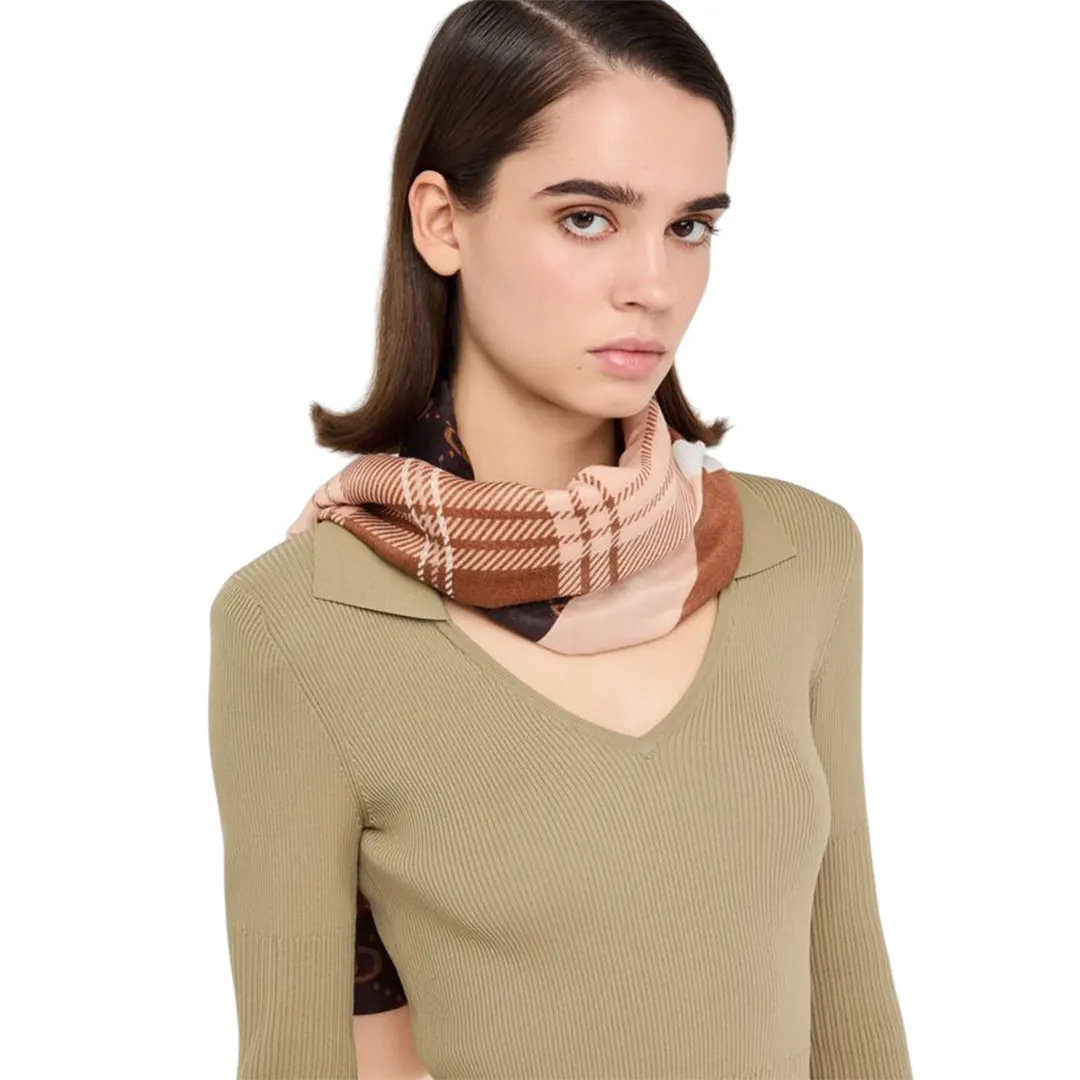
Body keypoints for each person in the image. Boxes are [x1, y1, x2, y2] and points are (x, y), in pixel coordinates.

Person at [206, 2, 914, 1078]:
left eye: (690, 226)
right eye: (587, 218)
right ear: (442, 223)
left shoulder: (797, 555)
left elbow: (852, 1010)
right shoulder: (303, 625)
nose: (654, 286)